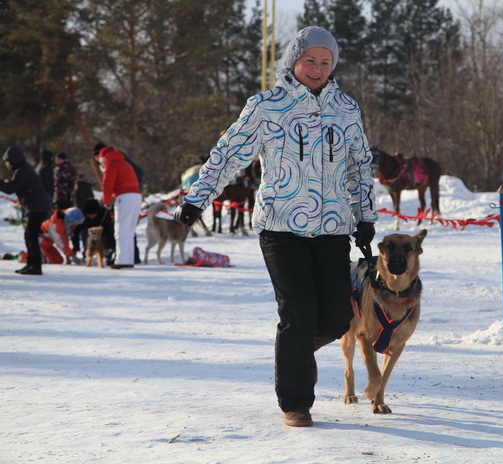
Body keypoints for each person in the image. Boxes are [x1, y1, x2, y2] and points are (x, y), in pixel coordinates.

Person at [174, 26, 377, 427]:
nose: (317, 69)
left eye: (325, 62)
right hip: (282, 229)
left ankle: (293, 349)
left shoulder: (346, 108)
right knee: (299, 313)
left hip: (334, 228)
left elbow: (359, 168)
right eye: (309, 61)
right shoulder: (267, 106)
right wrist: (197, 198)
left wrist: (365, 216)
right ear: (294, 61)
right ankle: (296, 403)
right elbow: (228, 153)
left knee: (337, 319)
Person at [0, 146, 53, 275]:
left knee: (30, 235)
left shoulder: (22, 171)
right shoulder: (24, 169)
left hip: (37, 207)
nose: (7, 165)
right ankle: (31, 264)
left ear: (14, 160)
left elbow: (10, 188)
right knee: (30, 235)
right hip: (37, 206)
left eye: (8, 162)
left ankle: (35, 265)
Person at [97, 145, 142, 269]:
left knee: (121, 229)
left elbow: (107, 184)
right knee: (129, 230)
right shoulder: (126, 163)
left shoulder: (111, 164)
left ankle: (122, 260)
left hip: (124, 197)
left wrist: (106, 201)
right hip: (136, 196)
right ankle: (128, 259)